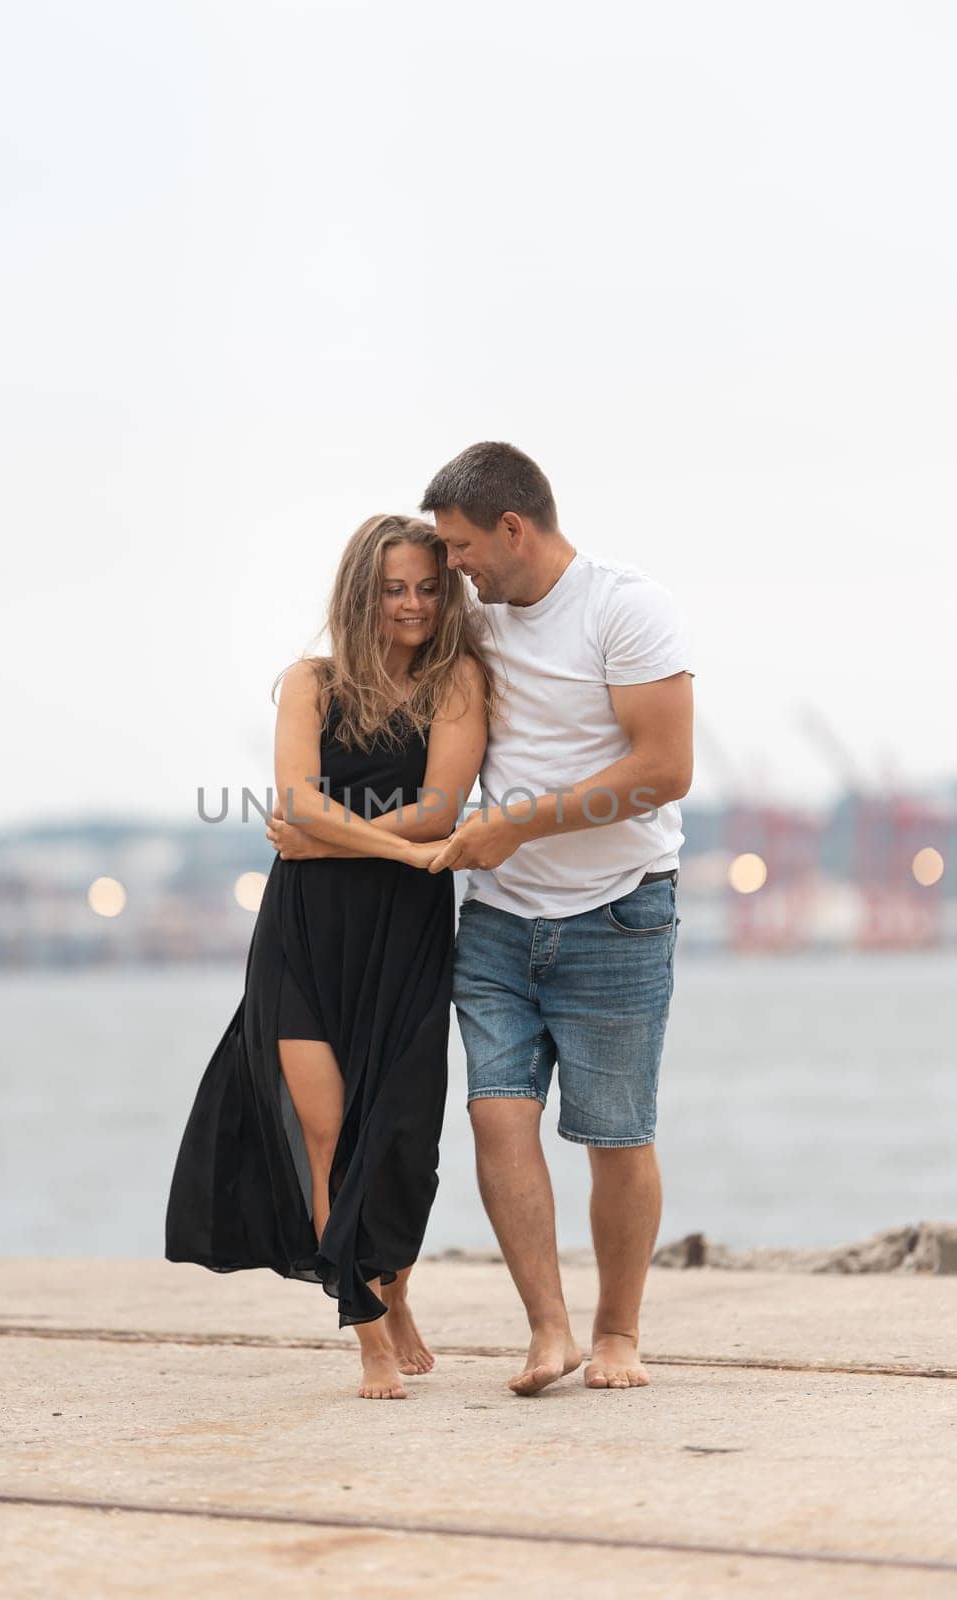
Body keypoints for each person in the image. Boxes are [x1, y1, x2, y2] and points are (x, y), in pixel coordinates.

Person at [165, 513, 491, 1400]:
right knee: (323, 1131)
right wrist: (398, 848)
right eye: (394, 589)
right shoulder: (309, 682)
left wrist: (352, 840)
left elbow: (437, 812)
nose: (413, 603)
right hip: (304, 930)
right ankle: (368, 1331)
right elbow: (298, 805)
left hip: (405, 935)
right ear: (361, 593)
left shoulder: (458, 679)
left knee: (397, 1136)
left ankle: (394, 1286)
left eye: (428, 586)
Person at [420, 442, 695, 1398]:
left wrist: (521, 822)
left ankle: (618, 1333)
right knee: (497, 1117)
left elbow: (664, 771)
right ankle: (549, 1332)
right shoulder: (477, 624)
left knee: (616, 1133)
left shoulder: (627, 608)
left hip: (617, 912)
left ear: (512, 527)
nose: (450, 565)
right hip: (498, 917)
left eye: (459, 546)